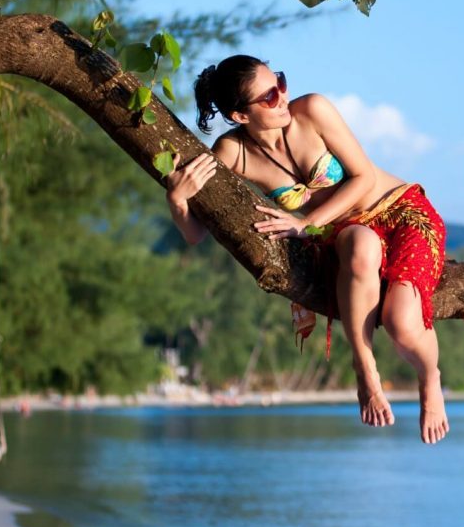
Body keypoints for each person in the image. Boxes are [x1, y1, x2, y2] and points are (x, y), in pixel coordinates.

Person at [165, 55, 449, 444]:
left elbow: (364, 177)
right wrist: (178, 201)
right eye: (268, 96)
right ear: (240, 115)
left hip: (401, 212)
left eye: (279, 82)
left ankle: (430, 378)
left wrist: (303, 223)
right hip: (348, 232)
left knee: (401, 321)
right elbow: (196, 233)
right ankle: (365, 368)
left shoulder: (312, 111)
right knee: (361, 244)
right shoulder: (233, 154)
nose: (282, 96)